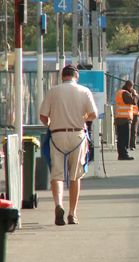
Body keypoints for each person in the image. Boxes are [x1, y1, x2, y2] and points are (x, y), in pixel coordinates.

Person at [39, 64, 98, 226]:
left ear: (62, 76)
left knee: (57, 175)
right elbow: (93, 114)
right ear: (76, 76)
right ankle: (72, 214)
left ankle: (58, 204)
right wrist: (83, 117)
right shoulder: (84, 91)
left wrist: (51, 123)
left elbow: (43, 116)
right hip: (77, 135)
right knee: (75, 176)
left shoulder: (53, 91)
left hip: (57, 134)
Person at [115, 80, 136, 160]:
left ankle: (121, 154)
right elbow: (133, 102)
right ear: (129, 86)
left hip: (119, 118)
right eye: (132, 87)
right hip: (125, 119)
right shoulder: (126, 93)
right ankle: (124, 154)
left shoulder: (119, 92)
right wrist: (134, 94)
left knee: (120, 137)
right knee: (125, 137)